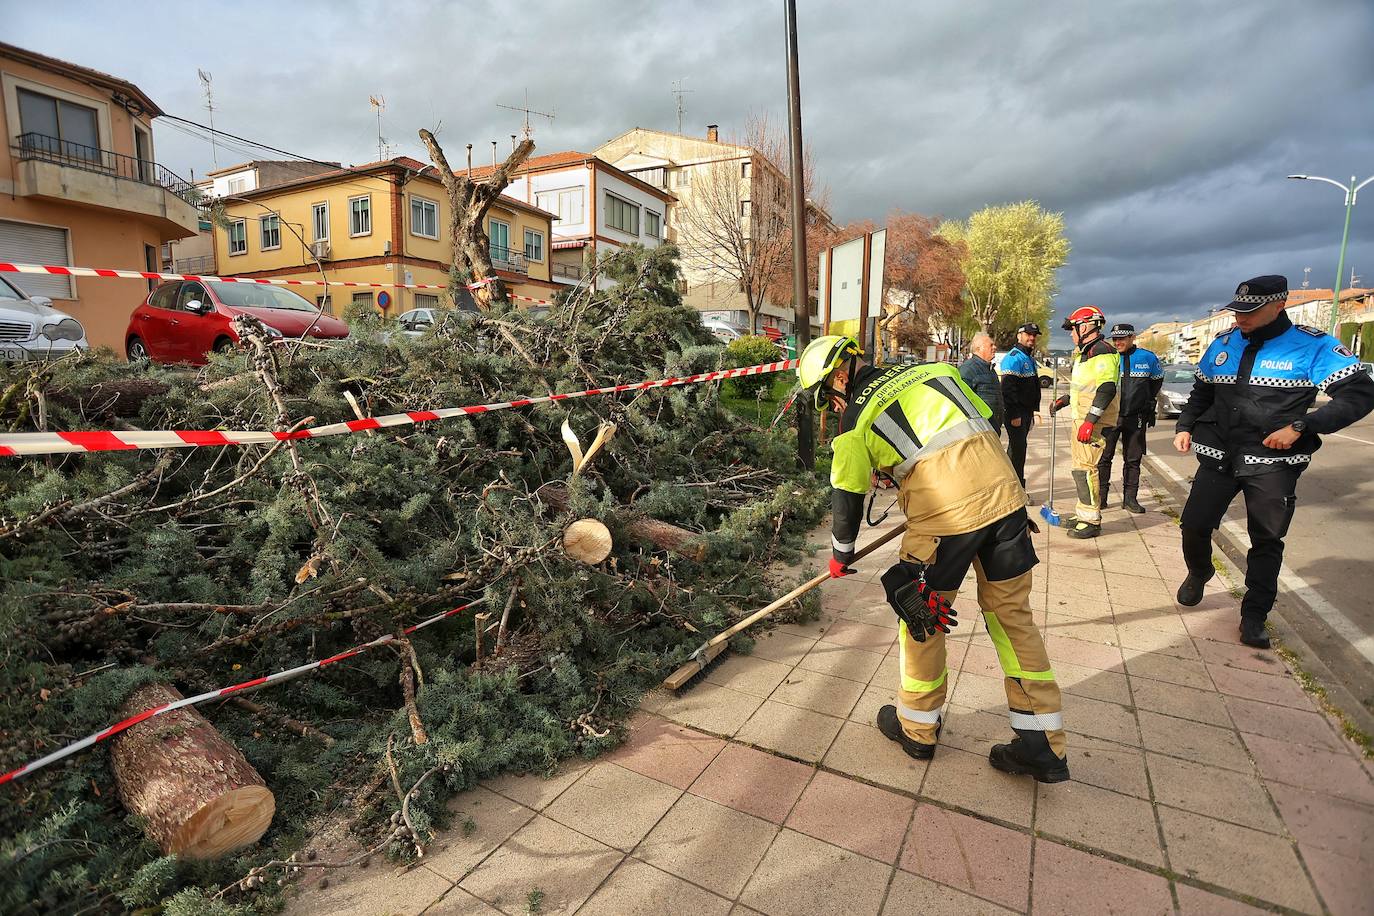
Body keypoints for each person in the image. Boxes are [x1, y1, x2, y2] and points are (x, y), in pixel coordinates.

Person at [798, 335, 1069, 782]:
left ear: (840, 377)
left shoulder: (853, 420)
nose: (830, 404)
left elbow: (846, 494)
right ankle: (1043, 744)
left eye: (827, 394)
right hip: (1006, 501)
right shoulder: (939, 373)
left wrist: (840, 555)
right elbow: (983, 422)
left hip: (942, 520)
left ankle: (918, 730)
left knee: (922, 617)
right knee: (1012, 619)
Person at [1174, 275, 1374, 648]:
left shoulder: (1312, 346)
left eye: (1250, 312)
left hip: (1273, 462)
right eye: (1237, 311)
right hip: (1219, 456)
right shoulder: (1223, 342)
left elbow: (1359, 395)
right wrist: (1185, 425)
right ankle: (1199, 571)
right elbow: (1202, 392)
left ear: (1279, 305)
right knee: (1194, 526)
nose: (1240, 319)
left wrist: (1303, 425)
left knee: (1266, 540)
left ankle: (1254, 616)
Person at [1049, 305, 1120, 539]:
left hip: (1094, 422)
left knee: (1087, 470)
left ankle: (1091, 521)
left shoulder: (1102, 351)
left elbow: (1106, 388)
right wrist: (1065, 400)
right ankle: (1083, 514)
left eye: (1073, 328)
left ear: (1086, 326)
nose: (1071, 334)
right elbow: (1085, 388)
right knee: (1080, 468)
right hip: (1082, 418)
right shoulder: (1084, 353)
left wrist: (1090, 421)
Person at [1098, 324, 1163, 514]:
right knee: (1104, 457)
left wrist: (1148, 402)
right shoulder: (1110, 358)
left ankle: (1130, 499)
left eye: (1122, 338)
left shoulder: (1148, 357)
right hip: (1111, 415)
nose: (1118, 342)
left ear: (1132, 338)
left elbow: (1156, 381)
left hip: (1136, 417)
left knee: (1133, 459)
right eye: (1115, 339)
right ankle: (1101, 498)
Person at [999, 323, 1043, 488]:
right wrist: (1014, 414)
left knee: (1017, 450)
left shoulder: (1028, 357)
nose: (1032, 338)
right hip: (1016, 413)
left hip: (1026, 413)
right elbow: (1008, 390)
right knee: (1018, 452)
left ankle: (1012, 486)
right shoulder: (1014, 357)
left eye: (1034, 335)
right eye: (1028, 335)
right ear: (1019, 335)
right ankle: (1017, 488)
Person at [959, 332, 1003, 435]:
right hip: (979, 430)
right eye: (991, 345)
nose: (995, 347)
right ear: (979, 349)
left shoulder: (990, 369)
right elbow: (962, 402)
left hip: (992, 428)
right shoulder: (968, 369)